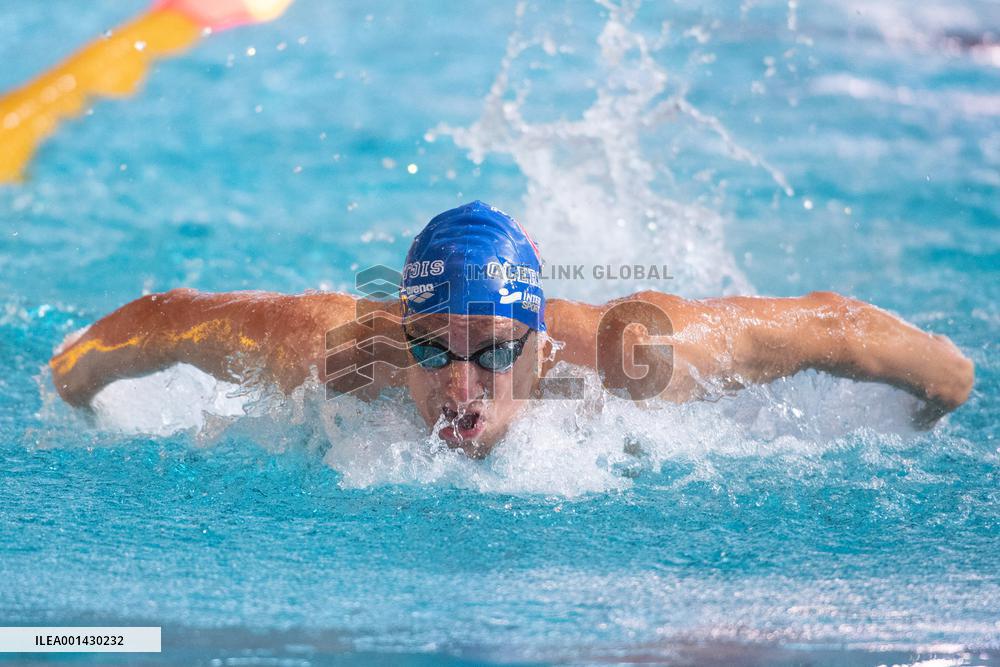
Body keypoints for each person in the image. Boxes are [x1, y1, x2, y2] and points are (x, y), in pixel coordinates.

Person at [49, 200, 974, 458]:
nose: (460, 391)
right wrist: (74, 390)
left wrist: (945, 389)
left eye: (493, 352)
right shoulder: (333, 353)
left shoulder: (632, 356)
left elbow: (836, 329)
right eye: (430, 348)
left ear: (539, 345)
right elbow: (160, 322)